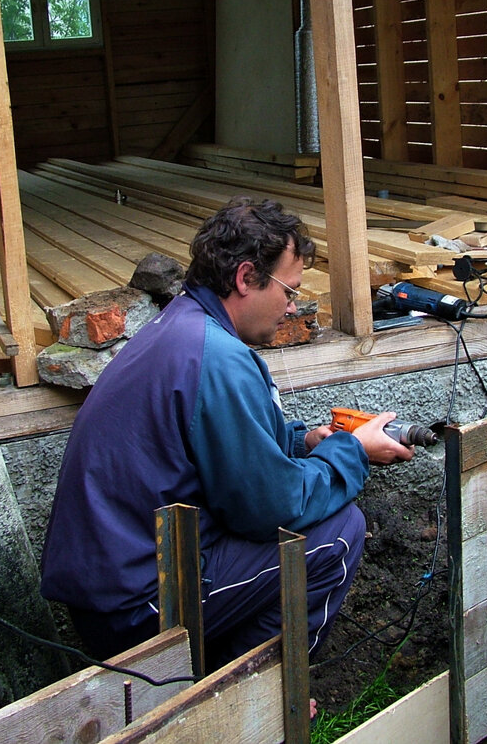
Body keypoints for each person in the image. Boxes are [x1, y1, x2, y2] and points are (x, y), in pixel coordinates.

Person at [40, 196, 413, 668]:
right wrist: (352, 454)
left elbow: (218, 447)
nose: (292, 306)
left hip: (110, 595)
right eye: (289, 290)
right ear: (244, 278)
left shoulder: (182, 326)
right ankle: (252, 702)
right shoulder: (217, 357)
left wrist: (303, 443)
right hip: (142, 609)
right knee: (339, 533)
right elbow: (272, 509)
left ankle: (213, 679)